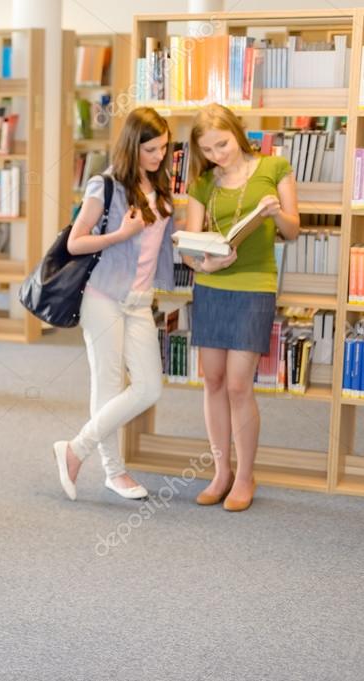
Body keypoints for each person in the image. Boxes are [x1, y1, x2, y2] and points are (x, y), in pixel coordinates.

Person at [52, 107, 175, 501]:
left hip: (139, 302)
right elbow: (76, 242)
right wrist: (121, 234)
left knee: (149, 387)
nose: (159, 156)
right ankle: (114, 472)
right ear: (132, 146)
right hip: (103, 297)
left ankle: (75, 449)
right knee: (107, 385)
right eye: (151, 149)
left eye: (164, 148)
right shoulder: (104, 185)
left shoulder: (161, 186)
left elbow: (161, 245)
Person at [183, 103, 299, 512]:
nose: (217, 154)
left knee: (237, 385)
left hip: (254, 286)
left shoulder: (274, 168)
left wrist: (275, 212)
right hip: (211, 286)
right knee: (213, 381)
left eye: (223, 144)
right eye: (208, 149)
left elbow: (293, 231)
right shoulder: (202, 183)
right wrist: (205, 264)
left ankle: (246, 475)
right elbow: (189, 248)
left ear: (237, 133)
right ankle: (221, 472)